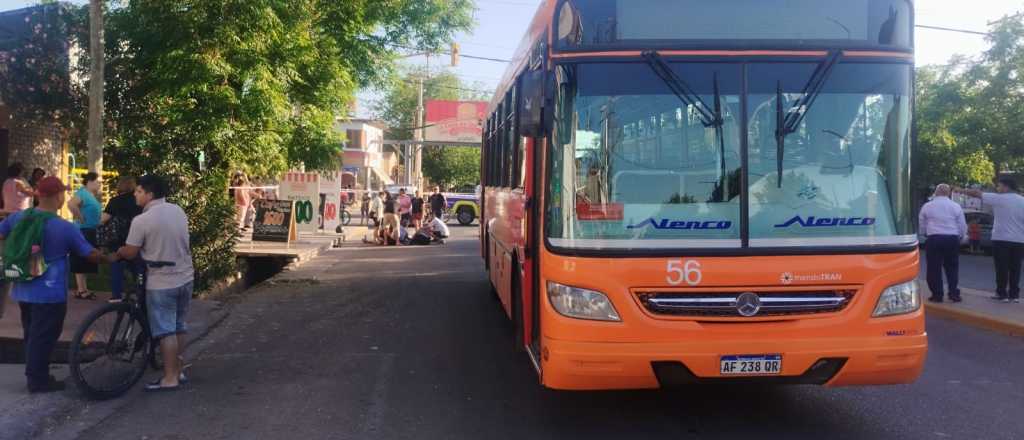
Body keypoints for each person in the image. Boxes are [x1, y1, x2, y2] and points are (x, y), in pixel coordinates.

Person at [0, 176, 107, 393]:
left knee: (32, 333)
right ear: (58, 196)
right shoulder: (64, 227)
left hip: (23, 289)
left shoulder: (18, 218)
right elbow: (90, 254)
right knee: (44, 336)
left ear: (38, 195)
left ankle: (35, 372)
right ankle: (38, 381)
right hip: (50, 294)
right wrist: (110, 257)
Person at [112, 175, 195, 392]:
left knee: (165, 331)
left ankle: (169, 378)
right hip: (185, 276)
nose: (135, 195)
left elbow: (130, 252)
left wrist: (119, 251)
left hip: (161, 282)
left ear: (149, 194)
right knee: (179, 325)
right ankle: (178, 369)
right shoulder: (178, 210)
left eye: (139, 191)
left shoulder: (141, 220)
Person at [958, 177, 1024, 303]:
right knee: (1015, 267)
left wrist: (960, 190)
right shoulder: (1022, 201)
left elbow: (977, 193)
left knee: (1002, 267)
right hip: (1019, 240)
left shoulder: (999, 198)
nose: (998, 189)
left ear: (1006, 186)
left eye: (999, 186)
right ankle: (1014, 295)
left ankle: (1001, 293)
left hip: (1001, 238)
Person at [919, 184, 967, 303]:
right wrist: (961, 236)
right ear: (949, 193)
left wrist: (924, 233)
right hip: (951, 238)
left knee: (933, 268)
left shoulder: (927, 206)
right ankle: (953, 293)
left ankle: (937, 294)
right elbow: (961, 224)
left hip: (934, 238)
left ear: (936, 192)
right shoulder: (955, 206)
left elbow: (922, 222)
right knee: (952, 267)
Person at [101, 176, 144, 301]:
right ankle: (140, 293)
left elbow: (103, 219)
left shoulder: (115, 201)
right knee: (138, 267)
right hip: (136, 238)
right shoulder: (138, 201)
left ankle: (116, 295)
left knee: (116, 267)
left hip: (117, 240)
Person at [68, 172, 102, 300]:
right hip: (83, 230)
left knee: (87, 258)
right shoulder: (82, 193)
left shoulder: (90, 195)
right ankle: (81, 290)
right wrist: (80, 216)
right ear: (90, 182)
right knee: (81, 258)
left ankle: (83, 288)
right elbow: (71, 204)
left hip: (90, 230)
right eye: (98, 181)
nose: (100, 184)